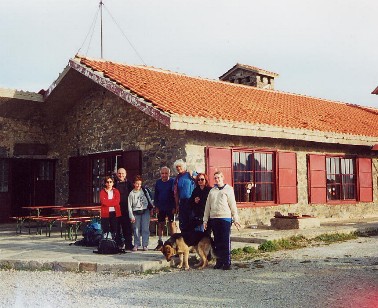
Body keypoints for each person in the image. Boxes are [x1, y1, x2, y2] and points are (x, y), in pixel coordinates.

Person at [203, 171, 241, 270]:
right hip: (214, 218)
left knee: (225, 240)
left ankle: (226, 262)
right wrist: (205, 220)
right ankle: (219, 262)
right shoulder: (212, 191)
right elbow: (207, 206)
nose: (217, 179)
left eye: (219, 177)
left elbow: (233, 205)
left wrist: (236, 219)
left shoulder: (229, 190)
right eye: (215, 178)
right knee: (217, 241)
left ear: (222, 177)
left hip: (225, 218)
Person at [128, 175, 153, 251]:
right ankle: (136, 244)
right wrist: (131, 215)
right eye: (137, 184)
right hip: (136, 212)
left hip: (145, 211)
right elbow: (129, 206)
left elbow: (150, 200)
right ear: (134, 184)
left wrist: (151, 208)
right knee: (136, 229)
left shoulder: (144, 191)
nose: (138, 185)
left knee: (145, 228)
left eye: (140, 184)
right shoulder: (131, 194)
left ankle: (145, 244)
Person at [153, 166, 176, 250]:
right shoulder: (158, 182)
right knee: (160, 224)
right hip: (161, 207)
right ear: (160, 174)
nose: (164, 175)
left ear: (169, 174)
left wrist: (175, 206)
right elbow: (156, 195)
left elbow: (175, 195)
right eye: (162, 173)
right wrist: (156, 206)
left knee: (172, 224)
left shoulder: (172, 181)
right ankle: (160, 242)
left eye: (166, 173)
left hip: (170, 207)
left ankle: (174, 242)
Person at [173, 159, 196, 232]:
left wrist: (193, 175)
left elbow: (200, 180)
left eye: (180, 166)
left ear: (183, 166)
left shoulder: (190, 174)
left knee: (192, 221)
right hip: (182, 202)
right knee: (183, 223)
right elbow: (176, 193)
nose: (178, 168)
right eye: (177, 167)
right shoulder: (177, 178)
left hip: (191, 201)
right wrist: (177, 205)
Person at [114, 168, 134, 250]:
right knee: (117, 228)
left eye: (122, 173)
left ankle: (128, 244)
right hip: (116, 209)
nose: (121, 175)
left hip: (126, 209)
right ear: (117, 174)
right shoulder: (114, 183)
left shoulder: (129, 184)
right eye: (119, 173)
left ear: (125, 174)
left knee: (127, 228)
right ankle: (118, 244)